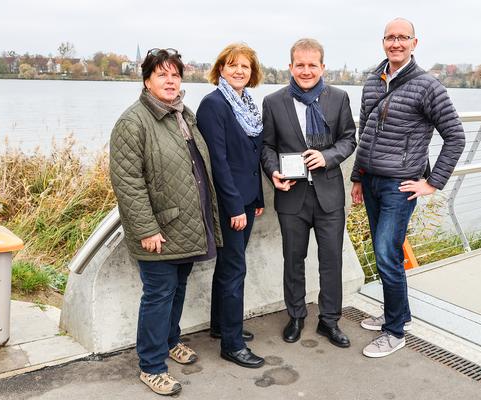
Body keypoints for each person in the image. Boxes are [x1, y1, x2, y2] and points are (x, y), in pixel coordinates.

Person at [109, 48, 222, 396]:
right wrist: (146, 229)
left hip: (189, 225)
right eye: (162, 74)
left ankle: (171, 341)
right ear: (147, 80)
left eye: (175, 74)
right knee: (158, 295)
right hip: (159, 229)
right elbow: (127, 182)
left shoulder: (182, 114)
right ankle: (151, 365)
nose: (170, 80)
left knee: (178, 288)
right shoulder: (133, 122)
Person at [350, 18, 465, 358]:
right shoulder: (373, 81)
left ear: (415, 43)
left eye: (402, 38)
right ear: (382, 42)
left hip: (400, 186)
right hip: (370, 180)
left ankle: (395, 331)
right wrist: (357, 176)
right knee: (386, 251)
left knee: (386, 254)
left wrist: (433, 182)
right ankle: (397, 313)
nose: (395, 43)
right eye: (390, 37)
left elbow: (455, 137)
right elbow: (365, 133)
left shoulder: (429, 86)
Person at [261, 38, 357, 348]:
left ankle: (329, 321)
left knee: (331, 261)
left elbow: (349, 139)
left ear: (322, 67)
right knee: (293, 259)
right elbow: (267, 146)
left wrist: (327, 157)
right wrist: (273, 170)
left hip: (329, 196)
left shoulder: (339, 98)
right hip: (292, 196)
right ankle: (297, 315)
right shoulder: (273, 102)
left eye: (312, 65)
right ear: (290, 67)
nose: (305, 70)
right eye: (299, 65)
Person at [196, 43, 265, 368]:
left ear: (252, 74)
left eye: (245, 67)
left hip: (248, 199)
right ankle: (232, 344)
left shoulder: (247, 104)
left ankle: (222, 326)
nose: (239, 71)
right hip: (229, 203)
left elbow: (252, 156)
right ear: (221, 69)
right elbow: (218, 163)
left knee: (228, 266)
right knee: (235, 269)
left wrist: (258, 199)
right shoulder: (213, 105)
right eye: (233, 65)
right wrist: (236, 207)